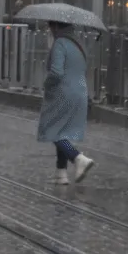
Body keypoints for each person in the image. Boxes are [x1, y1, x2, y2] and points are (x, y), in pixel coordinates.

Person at [38, 21, 94, 185]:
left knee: (51, 128)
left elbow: (56, 72)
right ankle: (61, 173)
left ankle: (77, 158)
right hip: (80, 92)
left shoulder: (60, 43)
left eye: (50, 28)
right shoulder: (78, 43)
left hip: (63, 92)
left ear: (56, 27)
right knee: (62, 131)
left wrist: (46, 84)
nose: (50, 31)